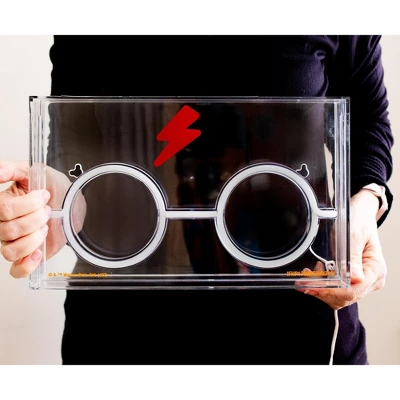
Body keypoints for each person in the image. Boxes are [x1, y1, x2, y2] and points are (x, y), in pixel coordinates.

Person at [0, 35, 393, 365]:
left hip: (298, 318)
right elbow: (74, 135)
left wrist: (367, 199)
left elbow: (368, 118)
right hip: (122, 328)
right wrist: (57, 203)